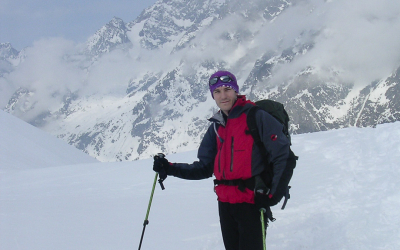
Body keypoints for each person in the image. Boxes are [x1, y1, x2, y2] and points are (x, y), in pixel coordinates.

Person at [153, 70, 291, 250]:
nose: (223, 95)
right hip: (225, 204)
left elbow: (285, 156)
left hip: (252, 203)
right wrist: (169, 168)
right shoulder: (217, 127)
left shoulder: (256, 117)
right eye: (217, 91)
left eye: (227, 89)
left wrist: (272, 196)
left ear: (235, 91)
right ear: (213, 95)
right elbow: (204, 168)